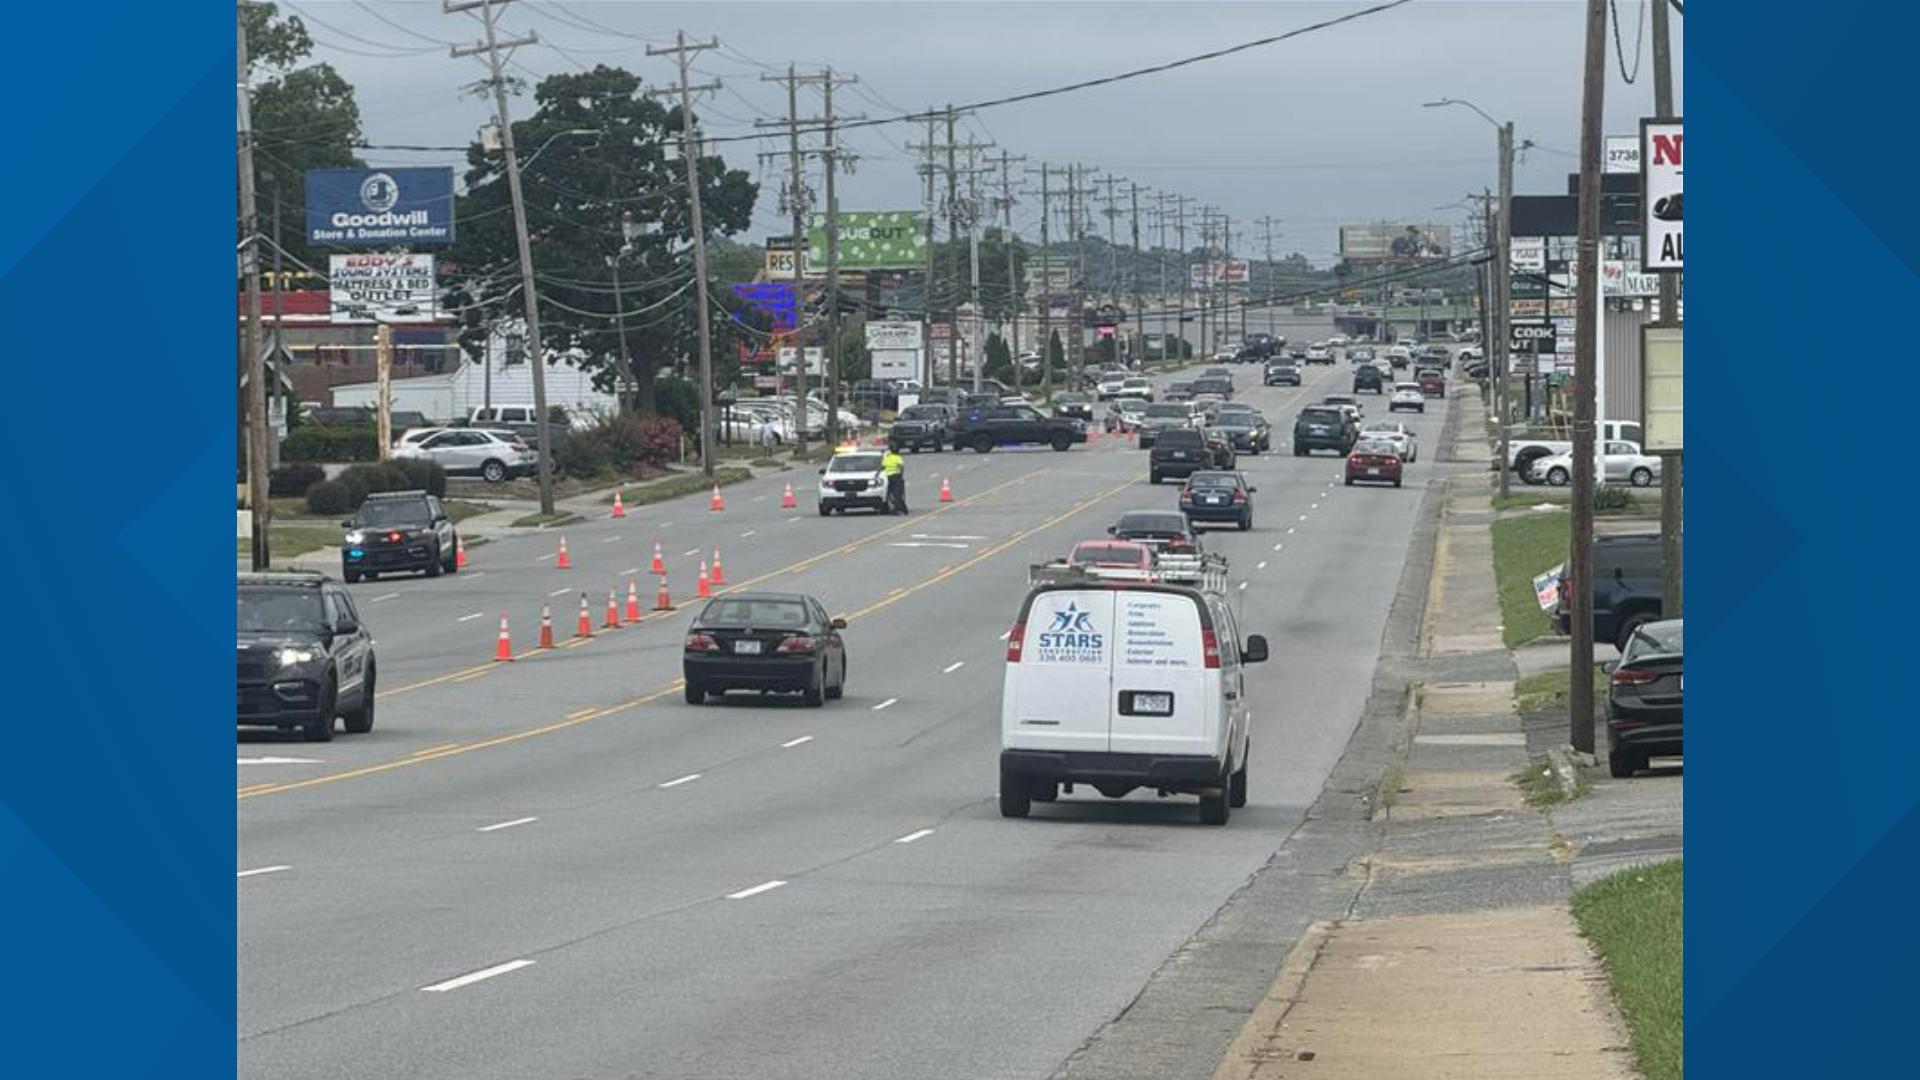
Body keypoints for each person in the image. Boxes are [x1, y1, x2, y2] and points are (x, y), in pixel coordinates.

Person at [881, 447, 907, 514]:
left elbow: (882, 467)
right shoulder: (897, 458)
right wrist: (901, 475)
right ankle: (901, 509)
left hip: (887, 477)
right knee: (897, 494)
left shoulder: (887, 458)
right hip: (896, 476)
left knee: (890, 494)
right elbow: (901, 467)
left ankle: (897, 508)